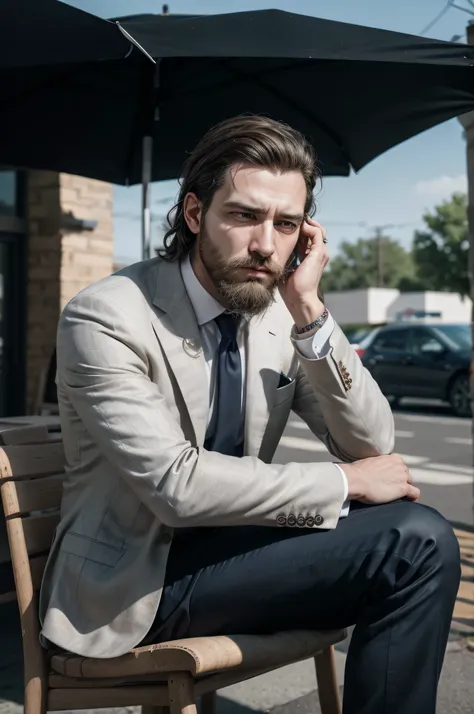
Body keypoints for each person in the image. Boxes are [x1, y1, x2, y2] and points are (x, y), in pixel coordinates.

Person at [39, 115, 460, 714]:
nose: (266, 244)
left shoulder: (278, 316)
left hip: (231, 553)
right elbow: (175, 486)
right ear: (194, 215)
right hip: (134, 584)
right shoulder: (106, 316)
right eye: (244, 216)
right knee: (412, 544)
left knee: (420, 539)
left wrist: (311, 313)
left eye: (285, 224)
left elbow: (372, 440)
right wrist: (346, 484)